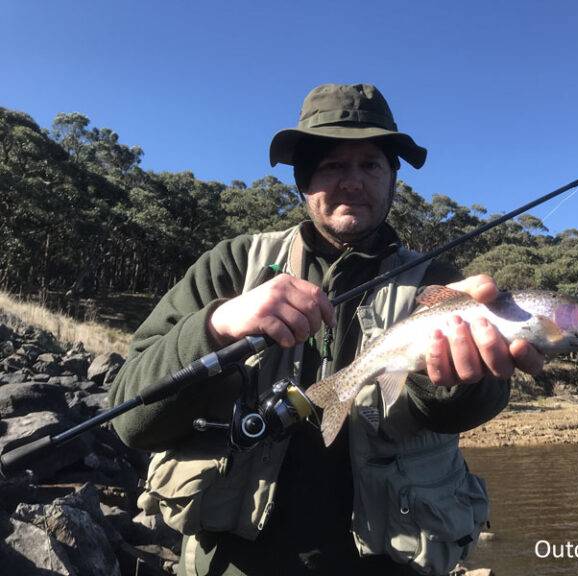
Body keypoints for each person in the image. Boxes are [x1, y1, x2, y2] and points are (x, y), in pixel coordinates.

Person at [109, 83, 543, 576]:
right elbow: (130, 419)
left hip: (391, 561)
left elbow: (459, 412)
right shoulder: (230, 265)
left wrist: (463, 381)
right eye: (333, 165)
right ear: (304, 180)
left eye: (370, 165)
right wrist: (217, 324)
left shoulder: (439, 282)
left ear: (392, 180)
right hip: (235, 561)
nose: (352, 182)